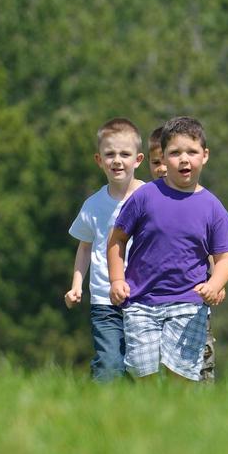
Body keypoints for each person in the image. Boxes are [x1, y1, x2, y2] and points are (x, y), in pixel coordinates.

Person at [106, 117, 228, 381]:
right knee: (144, 373)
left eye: (191, 152)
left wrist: (215, 285)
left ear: (205, 155)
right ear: (163, 158)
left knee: (182, 376)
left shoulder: (212, 207)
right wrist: (117, 279)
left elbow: (225, 257)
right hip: (142, 302)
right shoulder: (144, 197)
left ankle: (180, 419)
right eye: (175, 153)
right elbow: (116, 239)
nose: (184, 159)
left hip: (188, 305)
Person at [65, 118, 144, 382]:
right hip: (104, 300)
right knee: (110, 364)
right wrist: (77, 285)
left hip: (146, 298)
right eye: (110, 154)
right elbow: (85, 248)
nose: (117, 161)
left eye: (125, 154)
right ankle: (102, 404)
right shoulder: (94, 204)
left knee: (142, 367)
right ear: (99, 160)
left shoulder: (151, 197)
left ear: (138, 159)